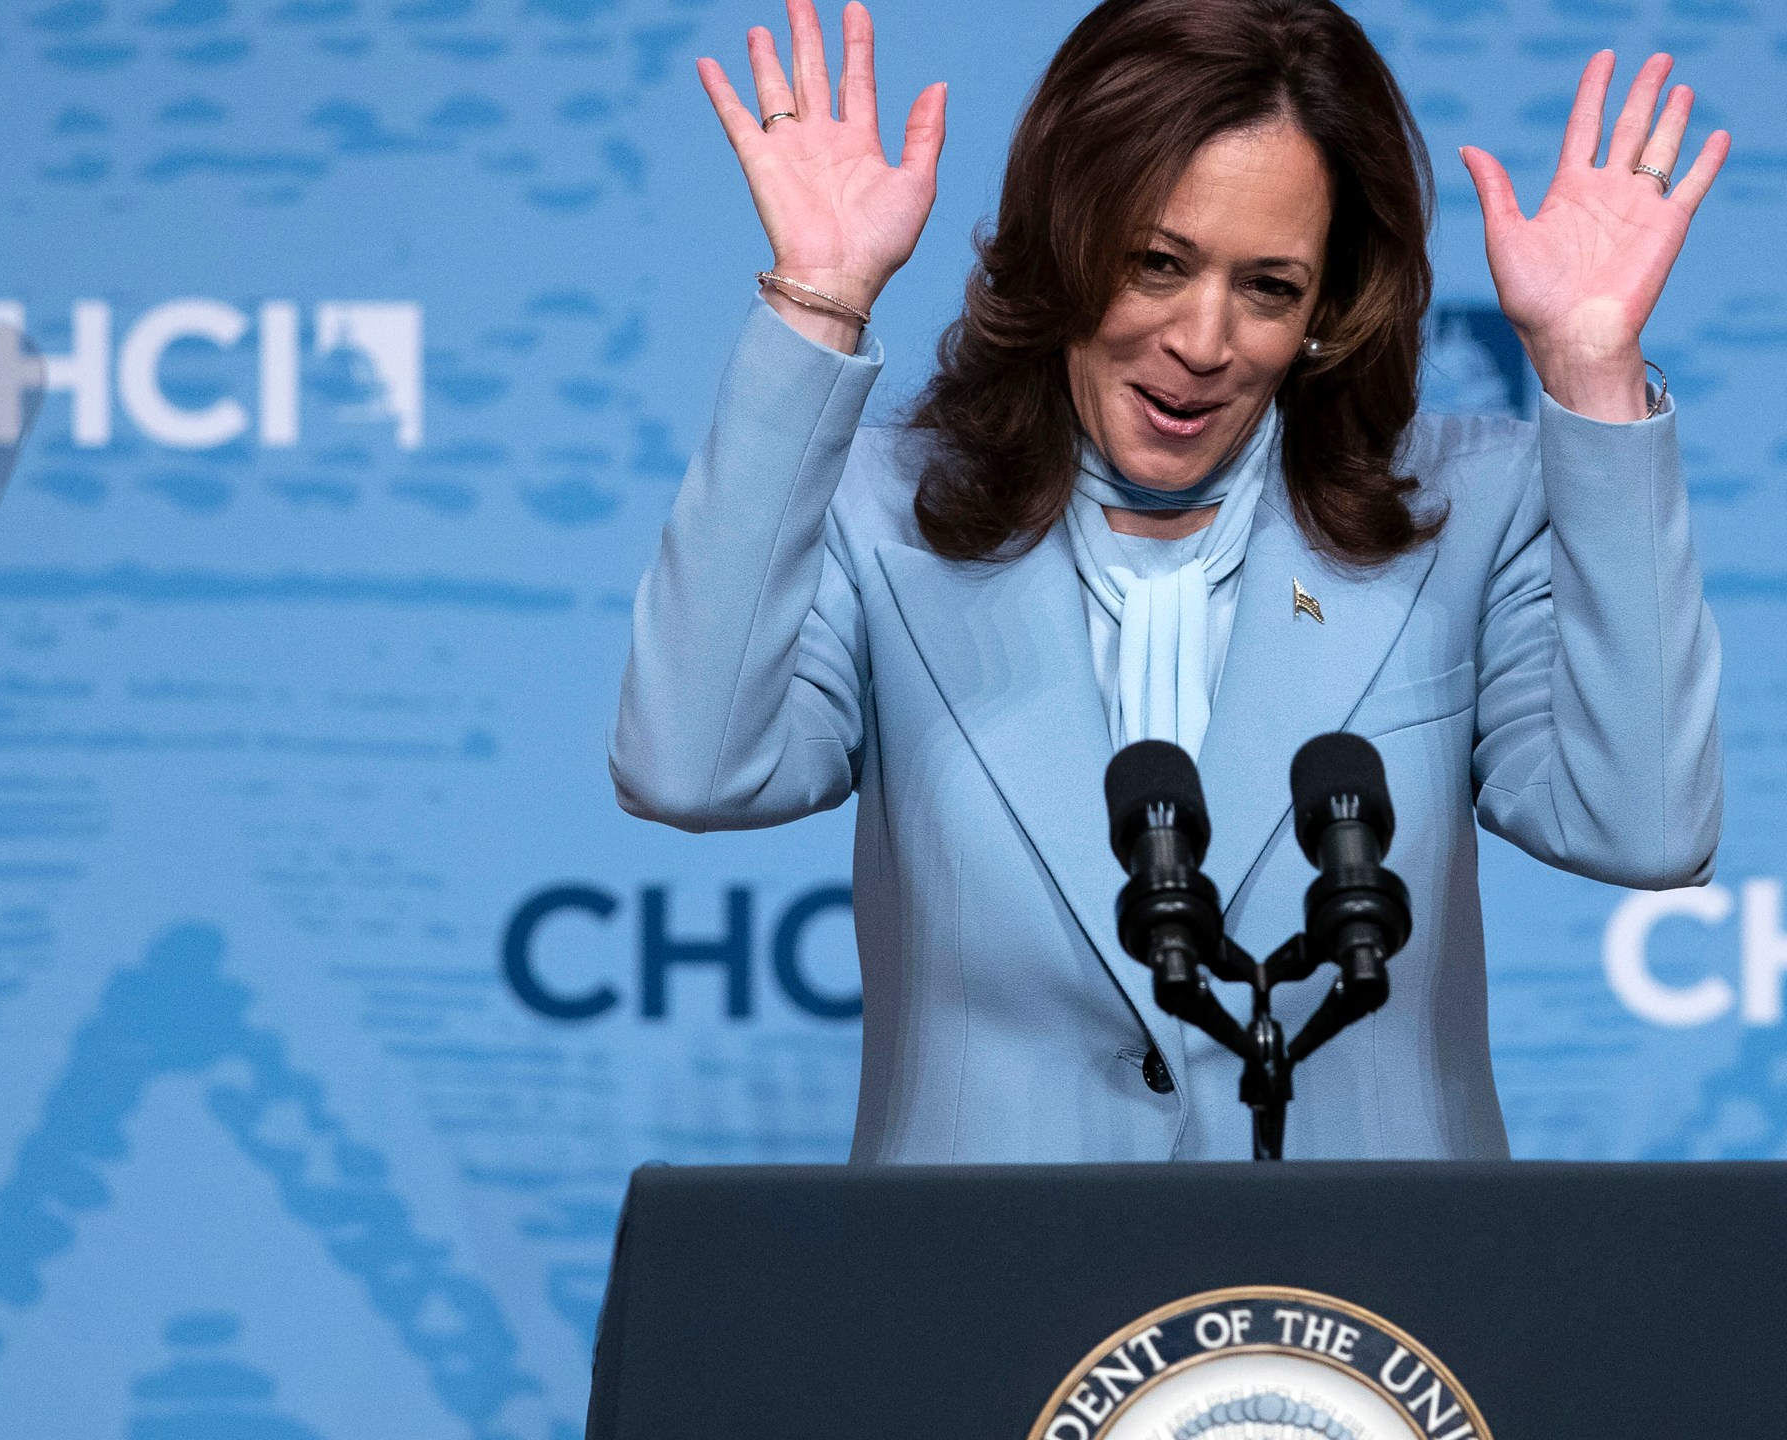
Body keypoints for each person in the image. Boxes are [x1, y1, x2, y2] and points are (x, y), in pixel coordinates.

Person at [610, 0, 1727, 1162]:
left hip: (1360, 1316)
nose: (1204, 340)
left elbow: (1641, 828)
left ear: (1326, 309)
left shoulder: (1470, 514)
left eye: (1269, 288)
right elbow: (692, 769)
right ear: (1063, 244)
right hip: (984, 1310)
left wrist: (1591, 372)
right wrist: (819, 300)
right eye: (1157, 263)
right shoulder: (877, 508)